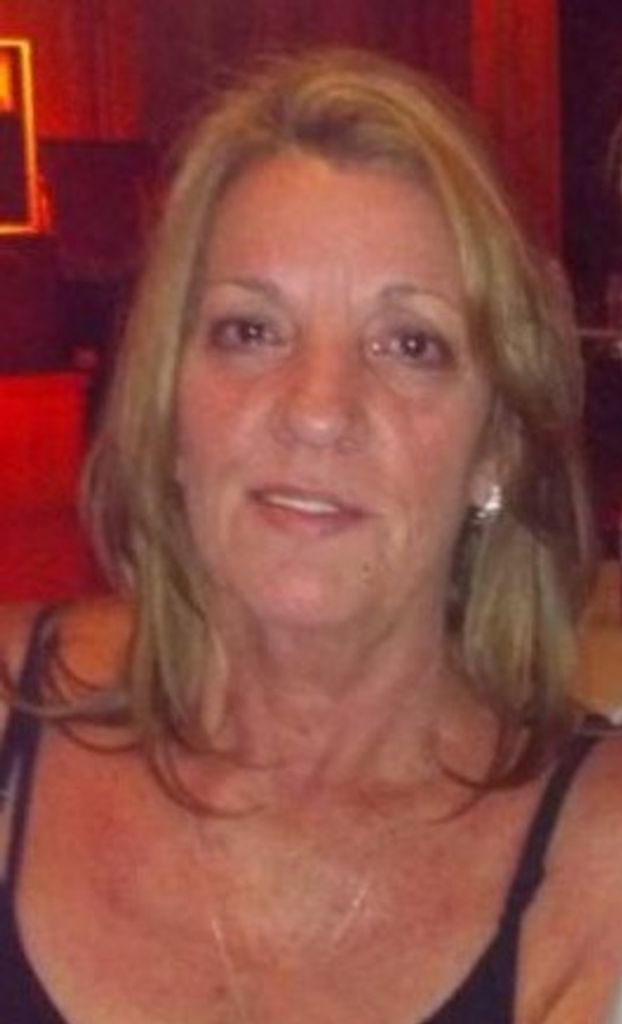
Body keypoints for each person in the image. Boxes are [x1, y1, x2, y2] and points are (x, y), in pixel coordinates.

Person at [0, 46, 621, 1024]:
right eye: (251, 330)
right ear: (166, 404)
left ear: (498, 445)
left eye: (409, 344)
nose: (318, 408)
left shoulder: (599, 862)